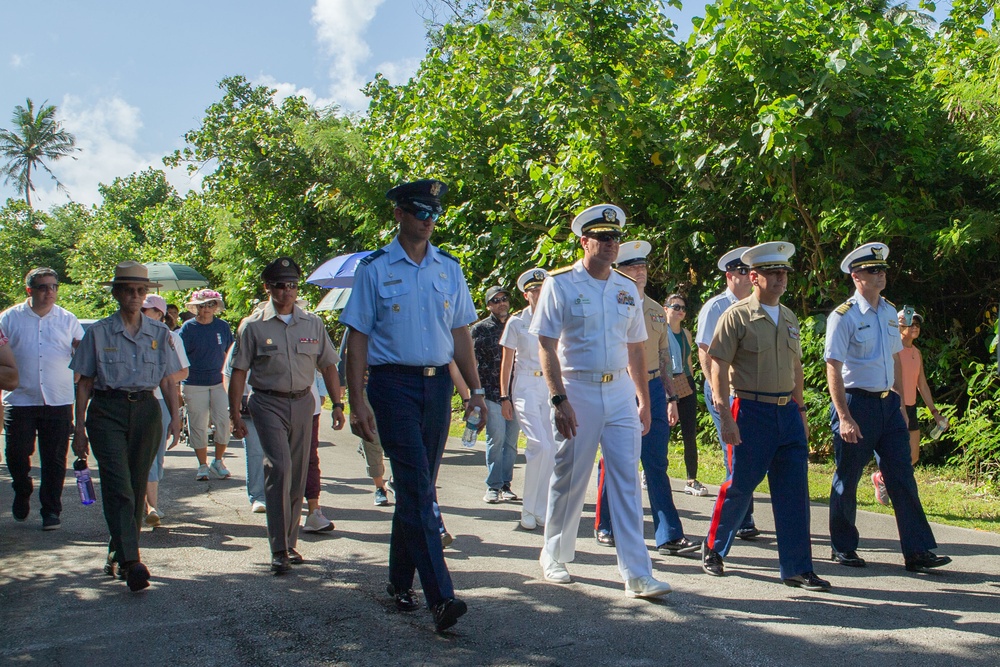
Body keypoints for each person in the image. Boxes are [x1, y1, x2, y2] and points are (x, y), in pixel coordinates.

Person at [341, 178, 484, 633]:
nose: (428, 219)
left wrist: (476, 390)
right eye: (420, 210)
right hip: (392, 385)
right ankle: (441, 597)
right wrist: (356, 398)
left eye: (434, 212)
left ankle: (399, 581)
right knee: (419, 487)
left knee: (418, 485)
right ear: (399, 213)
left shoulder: (449, 269)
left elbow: (462, 331)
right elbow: (357, 338)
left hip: (437, 385)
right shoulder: (374, 268)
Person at [531, 204, 671, 599]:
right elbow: (545, 342)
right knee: (571, 474)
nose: (611, 245)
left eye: (615, 238)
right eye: (603, 238)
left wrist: (643, 398)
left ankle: (637, 573)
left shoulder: (626, 287)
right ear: (584, 241)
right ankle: (554, 553)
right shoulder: (560, 284)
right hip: (577, 388)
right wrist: (558, 398)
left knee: (626, 480)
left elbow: (636, 348)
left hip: (621, 391)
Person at [702, 242, 830, 591]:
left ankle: (797, 568)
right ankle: (714, 547)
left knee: (793, 492)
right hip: (750, 410)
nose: (780, 279)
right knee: (740, 485)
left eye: (784, 272)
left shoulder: (788, 316)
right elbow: (717, 364)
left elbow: (796, 367)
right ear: (754, 277)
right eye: (773, 273)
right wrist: (725, 414)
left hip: (785, 411)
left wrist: (801, 409)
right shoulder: (737, 315)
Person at [825, 243, 951, 573]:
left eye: (882, 270)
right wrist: (844, 416)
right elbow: (833, 367)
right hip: (856, 405)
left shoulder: (888, 311)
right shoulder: (844, 316)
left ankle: (917, 551)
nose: (880, 275)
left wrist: (899, 403)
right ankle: (843, 547)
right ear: (856, 276)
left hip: (888, 405)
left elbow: (896, 357)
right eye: (873, 270)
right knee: (847, 478)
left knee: (902, 477)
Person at [70, 261, 183, 592]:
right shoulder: (99, 332)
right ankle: (132, 562)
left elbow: (168, 379)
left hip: (146, 410)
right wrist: (78, 428)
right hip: (107, 410)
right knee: (118, 484)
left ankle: (117, 554)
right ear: (117, 293)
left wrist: (174, 417)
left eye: (141, 291)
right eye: (129, 290)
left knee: (135, 487)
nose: (135, 296)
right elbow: (84, 383)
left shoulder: (160, 334)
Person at [228, 258, 345, 574]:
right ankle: (278, 548)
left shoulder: (312, 323)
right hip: (267, 403)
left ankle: (289, 543)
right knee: (278, 467)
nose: (287, 292)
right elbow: (239, 372)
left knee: (295, 472)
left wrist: (337, 403)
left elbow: (329, 365)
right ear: (267, 287)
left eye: (292, 285)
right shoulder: (253, 326)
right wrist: (234, 413)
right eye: (280, 285)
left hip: (303, 403)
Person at [592, 241, 702, 557]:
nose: (640, 272)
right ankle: (606, 525)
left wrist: (670, 396)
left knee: (657, 462)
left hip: (654, 387)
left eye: (643, 266)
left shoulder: (655, 310)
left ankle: (668, 534)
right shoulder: (606, 303)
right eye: (632, 267)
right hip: (619, 387)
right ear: (618, 270)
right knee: (615, 459)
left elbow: (666, 355)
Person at [1, 267, 83, 530]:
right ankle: (22, 488)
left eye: (53, 287)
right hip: (20, 398)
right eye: (43, 287)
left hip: (58, 400)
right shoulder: (9, 318)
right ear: (29, 290)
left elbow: (83, 352)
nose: (49, 292)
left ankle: (51, 510)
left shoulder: (67, 319)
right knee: (16, 453)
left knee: (55, 459)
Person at [695, 246, 758, 538]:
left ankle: (742, 515)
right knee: (732, 451)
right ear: (729, 276)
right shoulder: (716, 307)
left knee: (745, 450)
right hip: (723, 391)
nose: (749, 277)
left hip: (746, 390)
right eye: (743, 272)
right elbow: (705, 352)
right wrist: (718, 394)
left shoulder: (756, 306)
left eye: (750, 272)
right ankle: (739, 520)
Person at [499, 268, 555, 530]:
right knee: (538, 445)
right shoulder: (516, 322)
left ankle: (539, 508)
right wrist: (504, 396)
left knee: (551, 450)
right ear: (526, 295)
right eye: (534, 290)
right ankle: (527, 509)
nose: (539, 294)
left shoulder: (554, 319)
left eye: (542, 289)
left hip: (548, 384)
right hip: (524, 385)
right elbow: (507, 362)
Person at [139, 294, 190, 527]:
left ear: (160, 315)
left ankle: (152, 506)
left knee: (155, 454)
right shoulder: (130, 333)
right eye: (141, 309)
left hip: (160, 400)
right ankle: (142, 505)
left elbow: (183, 372)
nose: (141, 313)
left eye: (147, 310)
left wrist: (161, 377)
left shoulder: (171, 339)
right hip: (134, 399)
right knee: (135, 453)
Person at [472, 285, 521, 504]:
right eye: (496, 300)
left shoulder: (518, 324)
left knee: (511, 442)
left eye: (504, 299)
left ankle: (506, 484)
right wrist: (475, 394)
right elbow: (472, 364)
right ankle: (493, 486)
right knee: (496, 438)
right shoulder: (479, 329)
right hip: (491, 393)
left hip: (517, 392)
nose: (501, 303)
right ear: (488, 305)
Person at [179, 289, 235, 481]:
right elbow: (180, 356)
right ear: (196, 307)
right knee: (198, 424)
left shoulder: (223, 327)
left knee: (223, 422)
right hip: (194, 382)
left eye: (211, 304)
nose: (207, 309)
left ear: (216, 307)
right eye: (202, 305)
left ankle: (218, 461)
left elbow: (230, 353)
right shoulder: (188, 328)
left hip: (220, 381)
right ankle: (202, 465)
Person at [895, 307, 946, 468]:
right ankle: (893, 486)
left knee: (913, 457)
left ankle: (881, 479)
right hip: (894, 406)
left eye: (917, 324)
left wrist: (935, 413)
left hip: (910, 407)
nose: (915, 327)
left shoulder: (917, 353)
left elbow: (922, 384)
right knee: (896, 454)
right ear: (900, 326)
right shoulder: (891, 349)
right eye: (911, 323)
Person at [664, 292, 702, 501]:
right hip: (666, 383)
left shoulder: (686, 333)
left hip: (685, 382)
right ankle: (651, 474)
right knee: (664, 432)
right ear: (665, 309)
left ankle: (691, 479)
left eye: (683, 308)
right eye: (675, 306)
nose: (680, 311)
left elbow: (688, 359)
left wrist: (690, 382)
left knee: (689, 432)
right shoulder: (660, 331)